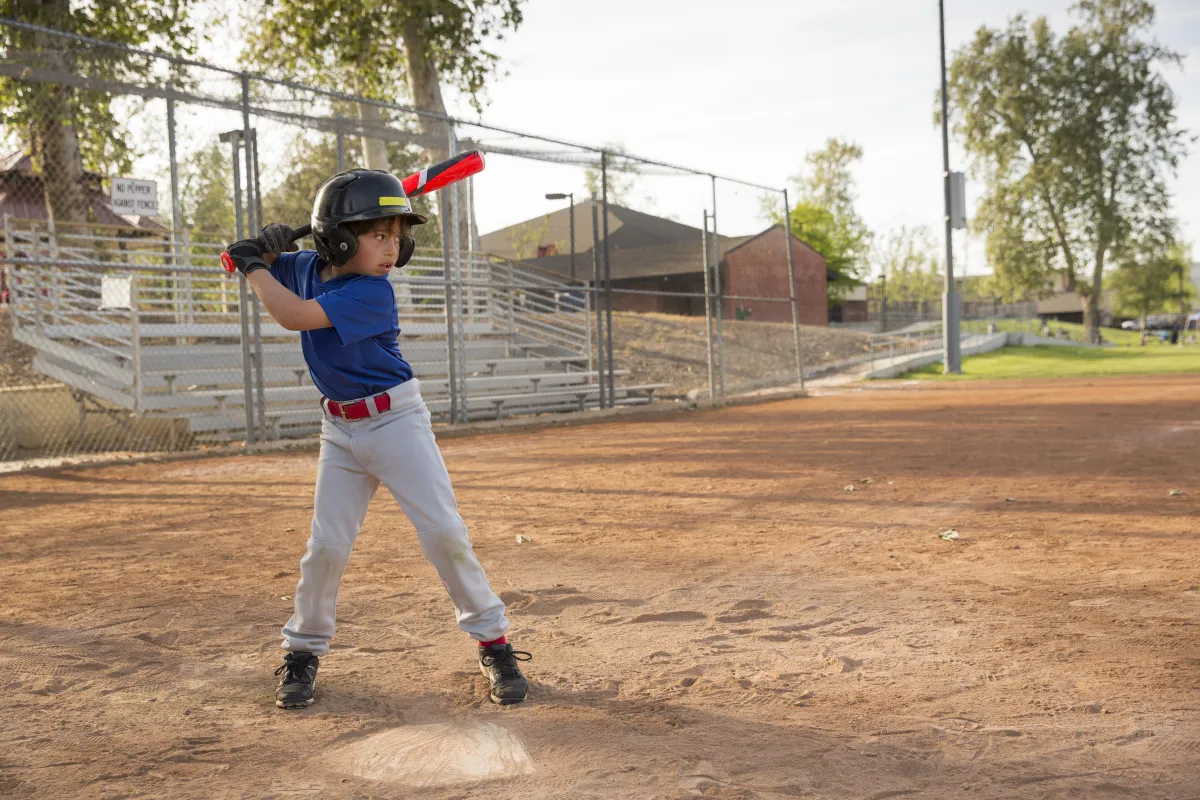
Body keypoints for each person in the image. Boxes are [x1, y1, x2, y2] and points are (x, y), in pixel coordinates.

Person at [223, 169, 531, 709]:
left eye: (396, 237)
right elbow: (242, 262)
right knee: (325, 549)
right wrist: (261, 249)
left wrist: (255, 264)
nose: (392, 249)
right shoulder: (306, 267)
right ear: (337, 239)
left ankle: (494, 643)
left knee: (444, 534)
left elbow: (291, 314)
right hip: (339, 431)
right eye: (378, 235)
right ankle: (302, 651)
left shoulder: (371, 292)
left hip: (396, 423)